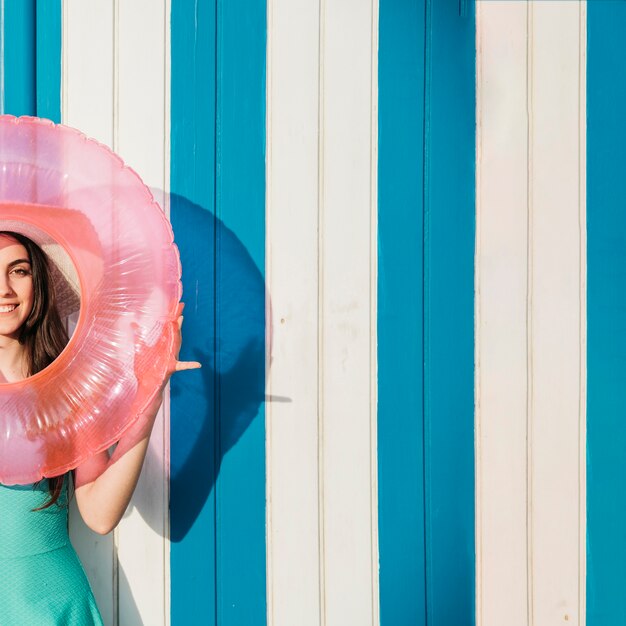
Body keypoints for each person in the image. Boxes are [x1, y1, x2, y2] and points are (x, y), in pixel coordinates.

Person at [0, 231, 200, 624]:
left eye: (18, 270)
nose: (4, 289)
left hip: (47, 607)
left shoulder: (69, 389)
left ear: (37, 279)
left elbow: (100, 514)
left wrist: (148, 397)